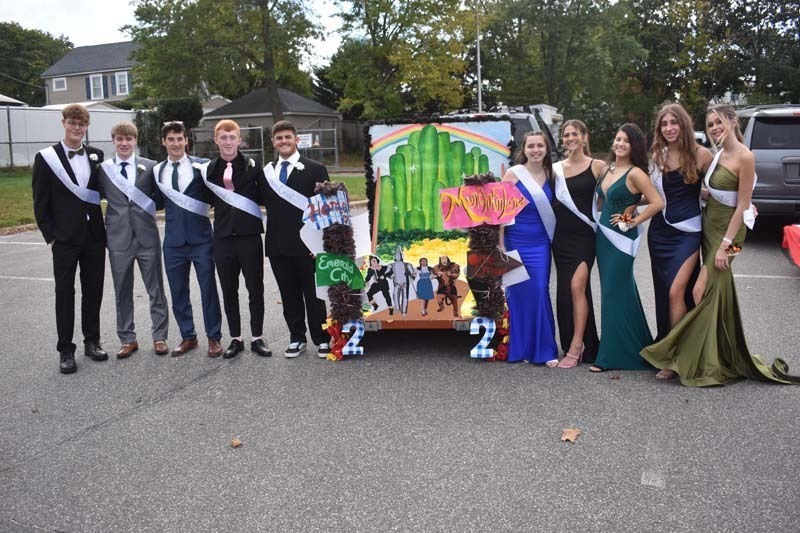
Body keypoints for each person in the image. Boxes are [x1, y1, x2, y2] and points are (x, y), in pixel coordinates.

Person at [641, 105, 798, 386]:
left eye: (719, 122)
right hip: (708, 231)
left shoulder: (745, 157)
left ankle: (685, 355)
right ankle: (712, 352)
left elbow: (744, 205)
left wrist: (728, 246)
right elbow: (706, 192)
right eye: (710, 123)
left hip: (732, 239)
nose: (714, 128)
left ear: (733, 122)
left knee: (699, 290)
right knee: (712, 293)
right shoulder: (718, 157)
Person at [32, 104, 108, 374]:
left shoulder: (97, 155)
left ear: (87, 127)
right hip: (64, 238)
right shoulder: (46, 158)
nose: (77, 128)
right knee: (64, 293)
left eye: (82, 124)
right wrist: (50, 236)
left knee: (94, 290)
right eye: (73, 122)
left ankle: (92, 341)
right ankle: (65, 348)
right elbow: (40, 201)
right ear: (63, 122)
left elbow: (101, 192)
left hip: (94, 236)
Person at [646, 103, 713, 379]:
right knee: (664, 293)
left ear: (683, 124)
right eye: (664, 124)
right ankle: (668, 348)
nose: (669, 128)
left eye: (674, 122)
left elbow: (718, 188)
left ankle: (677, 356)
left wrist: (740, 207)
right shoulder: (657, 155)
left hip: (687, 233)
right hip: (659, 232)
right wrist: (624, 203)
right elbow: (651, 196)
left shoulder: (702, 154)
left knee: (677, 292)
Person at [590, 123, 664, 372]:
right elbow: (613, 199)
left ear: (634, 146)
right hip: (603, 237)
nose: (620, 144)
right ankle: (637, 346)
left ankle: (609, 357)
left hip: (622, 239)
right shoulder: (607, 168)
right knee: (619, 292)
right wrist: (631, 204)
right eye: (618, 139)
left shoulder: (635, 173)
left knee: (613, 291)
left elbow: (657, 202)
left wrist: (633, 218)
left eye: (626, 141)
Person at [97, 121, 170, 359]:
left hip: (147, 236)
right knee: (122, 291)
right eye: (120, 139)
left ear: (135, 141)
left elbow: (158, 200)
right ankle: (127, 339)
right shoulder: (103, 170)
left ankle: (159, 337)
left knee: (156, 289)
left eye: (129, 139)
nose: (124, 143)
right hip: (118, 238)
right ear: (114, 141)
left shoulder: (149, 167)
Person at [153, 121, 223, 358]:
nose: (175, 143)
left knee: (208, 290)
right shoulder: (157, 170)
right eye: (170, 139)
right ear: (163, 142)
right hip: (173, 242)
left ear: (186, 141)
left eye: (179, 139)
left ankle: (214, 337)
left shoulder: (202, 166)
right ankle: (188, 336)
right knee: (178, 292)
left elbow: (218, 195)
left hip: (201, 239)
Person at [203, 119, 271, 359]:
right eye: (224, 137)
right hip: (222, 238)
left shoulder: (253, 166)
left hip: (249, 236)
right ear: (216, 140)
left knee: (255, 288)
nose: (228, 142)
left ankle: (257, 337)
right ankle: (235, 338)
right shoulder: (209, 169)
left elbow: (266, 196)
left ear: (239, 140)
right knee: (228, 290)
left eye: (233, 137)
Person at [261, 120, 330, 358]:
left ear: (296, 139)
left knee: (314, 295)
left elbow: (325, 208)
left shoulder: (314, 168)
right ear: (273, 142)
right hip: (278, 244)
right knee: (289, 295)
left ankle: (322, 338)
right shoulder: (266, 172)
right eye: (279, 138)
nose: (284, 141)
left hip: (307, 245)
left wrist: (320, 243)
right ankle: (296, 338)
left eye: (288, 137)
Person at [499, 132, 558, 365]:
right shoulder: (513, 174)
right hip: (515, 241)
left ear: (546, 148)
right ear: (524, 149)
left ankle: (544, 350)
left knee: (540, 289)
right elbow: (500, 211)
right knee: (518, 294)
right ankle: (521, 348)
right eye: (531, 146)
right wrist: (501, 243)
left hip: (541, 242)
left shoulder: (552, 174)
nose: (535, 150)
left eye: (540, 146)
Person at [551, 120, 604, 369]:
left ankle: (578, 345)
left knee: (576, 287)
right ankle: (578, 342)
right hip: (561, 239)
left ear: (585, 137)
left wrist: (628, 214)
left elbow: (621, 190)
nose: (570, 138)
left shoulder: (598, 166)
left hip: (585, 238)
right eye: (566, 135)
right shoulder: (555, 170)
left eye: (575, 134)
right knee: (565, 292)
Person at [389, 245, 416, 315]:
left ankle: (404, 311)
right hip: (396, 283)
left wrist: (411, 277)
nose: (398, 256)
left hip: (405, 283)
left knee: (405, 297)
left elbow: (413, 273)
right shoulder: (391, 265)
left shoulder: (407, 265)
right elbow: (386, 273)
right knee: (395, 296)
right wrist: (391, 276)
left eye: (400, 255)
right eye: (397, 255)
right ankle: (397, 309)